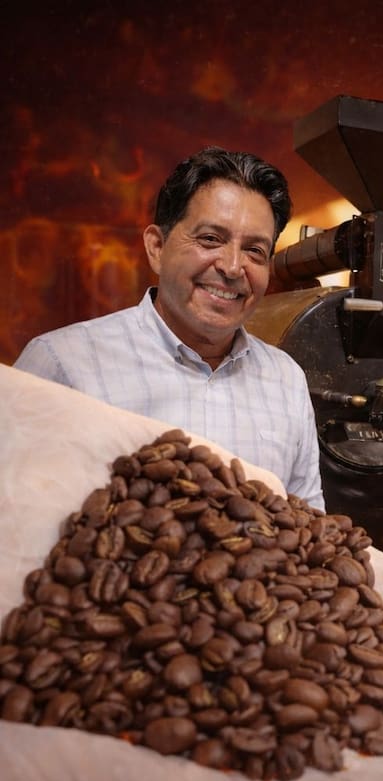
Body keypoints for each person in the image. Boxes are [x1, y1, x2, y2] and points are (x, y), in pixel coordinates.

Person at [14, 146, 323, 510]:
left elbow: (309, 525)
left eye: (255, 250)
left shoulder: (286, 379)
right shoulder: (61, 363)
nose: (233, 266)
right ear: (157, 247)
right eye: (211, 239)